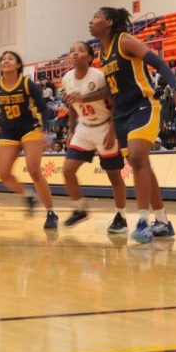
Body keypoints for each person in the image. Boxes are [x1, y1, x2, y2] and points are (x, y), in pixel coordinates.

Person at [81, 6, 176, 243]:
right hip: (120, 113)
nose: (91, 21)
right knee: (141, 164)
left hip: (143, 105)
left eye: (96, 17)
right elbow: (111, 88)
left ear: (109, 22)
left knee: (139, 157)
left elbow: (159, 63)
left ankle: (142, 221)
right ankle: (162, 221)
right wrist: (84, 98)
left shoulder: (125, 41)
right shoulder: (102, 54)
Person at [0, 50, 57, 230]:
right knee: (3, 173)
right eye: (3, 59)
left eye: (10, 59)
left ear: (18, 64)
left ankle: (51, 212)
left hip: (30, 128)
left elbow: (44, 108)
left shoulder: (27, 83)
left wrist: (45, 130)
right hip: (8, 132)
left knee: (34, 169)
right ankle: (28, 196)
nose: (6, 61)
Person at [58, 40, 129, 234]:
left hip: (105, 127)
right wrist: (71, 129)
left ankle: (121, 216)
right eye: (72, 51)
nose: (75, 53)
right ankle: (80, 208)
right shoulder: (66, 79)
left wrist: (113, 131)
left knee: (114, 176)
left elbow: (115, 103)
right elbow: (73, 105)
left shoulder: (99, 76)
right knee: (67, 170)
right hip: (84, 127)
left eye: (80, 50)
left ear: (90, 57)